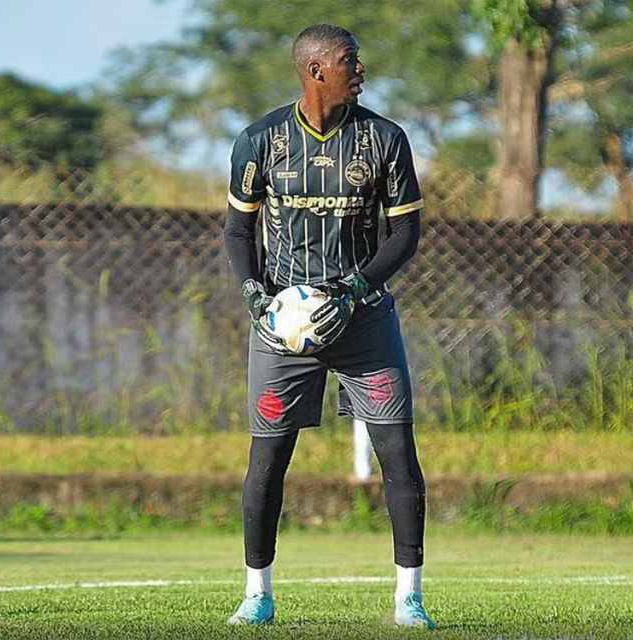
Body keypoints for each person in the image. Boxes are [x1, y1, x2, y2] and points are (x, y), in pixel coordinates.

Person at [222, 23, 433, 629]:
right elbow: (238, 231)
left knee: (399, 456)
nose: (361, 69)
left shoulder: (385, 140)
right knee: (266, 463)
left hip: (364, 319)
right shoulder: (260, 141)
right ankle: (257, 594)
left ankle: (408, 599)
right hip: (282, 330)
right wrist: (255, 294)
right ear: (316, 70)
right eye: (350, 60)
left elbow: (405, 234)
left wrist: (356, 289)